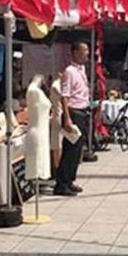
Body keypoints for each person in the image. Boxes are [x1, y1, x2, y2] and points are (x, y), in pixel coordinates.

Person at [56, 41, 91, 196]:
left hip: (83, 110)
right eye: (84, 51)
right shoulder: (69, 71)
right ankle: (61, 183)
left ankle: (70, 179)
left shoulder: (82, 69)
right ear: (75, 52)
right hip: (73, 111)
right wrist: (67, 118)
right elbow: (65, 95)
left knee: (77, 151)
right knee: (70, 150)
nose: (87, 54)